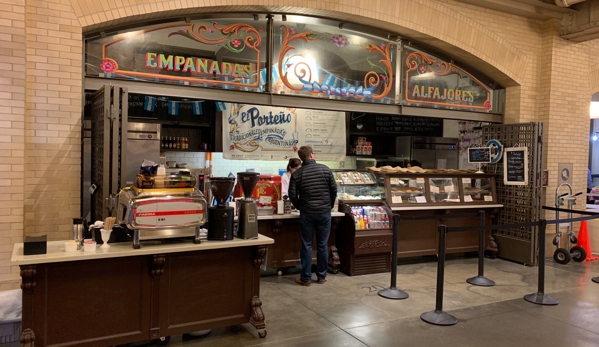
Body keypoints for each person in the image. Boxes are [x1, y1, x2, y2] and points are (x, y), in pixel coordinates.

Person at [288, 146, 337, 286]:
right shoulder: (325, 169)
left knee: (307, 245)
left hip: (307, 213)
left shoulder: (297, 174)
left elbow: (292, 195)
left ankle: (306, 278)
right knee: (322, 245)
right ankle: (322, 276)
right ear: (312, 155)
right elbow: (334, 190)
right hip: (324, 213)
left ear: (302, 158)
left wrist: (300, 206)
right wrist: (329, 205)